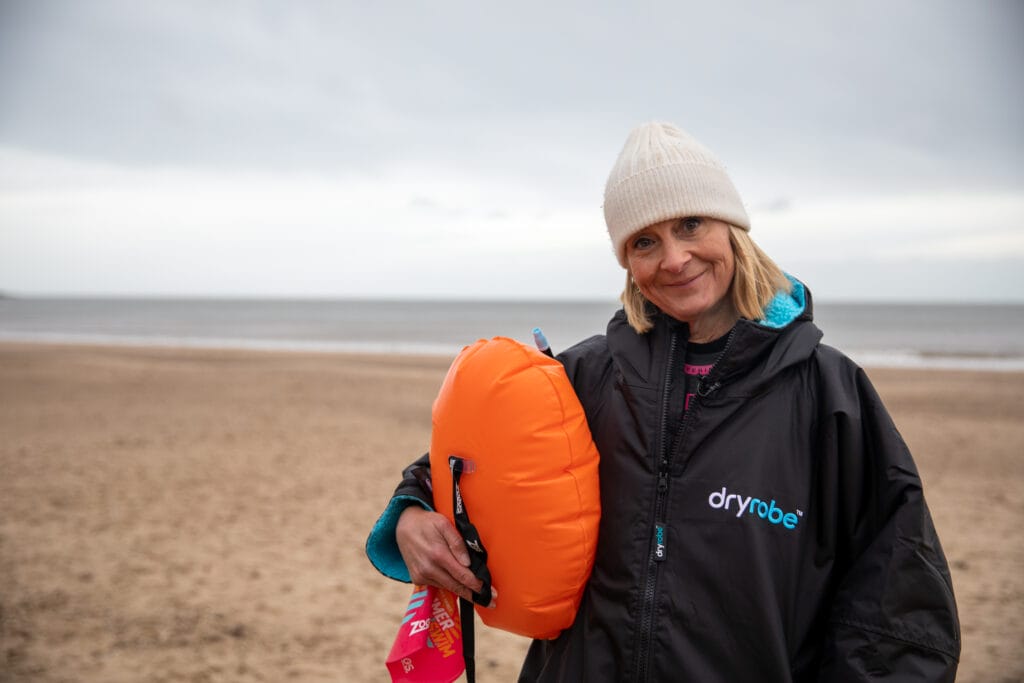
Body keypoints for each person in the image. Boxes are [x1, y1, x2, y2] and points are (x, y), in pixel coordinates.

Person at [366, 122, 961, 681]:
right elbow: (458, 469)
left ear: (732, 227)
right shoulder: (585, 376)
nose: (675, 259)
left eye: (692, 225)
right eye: (646, 241)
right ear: (628, 263)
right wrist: (412, 515)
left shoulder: (829, 394)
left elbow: (899, 601)